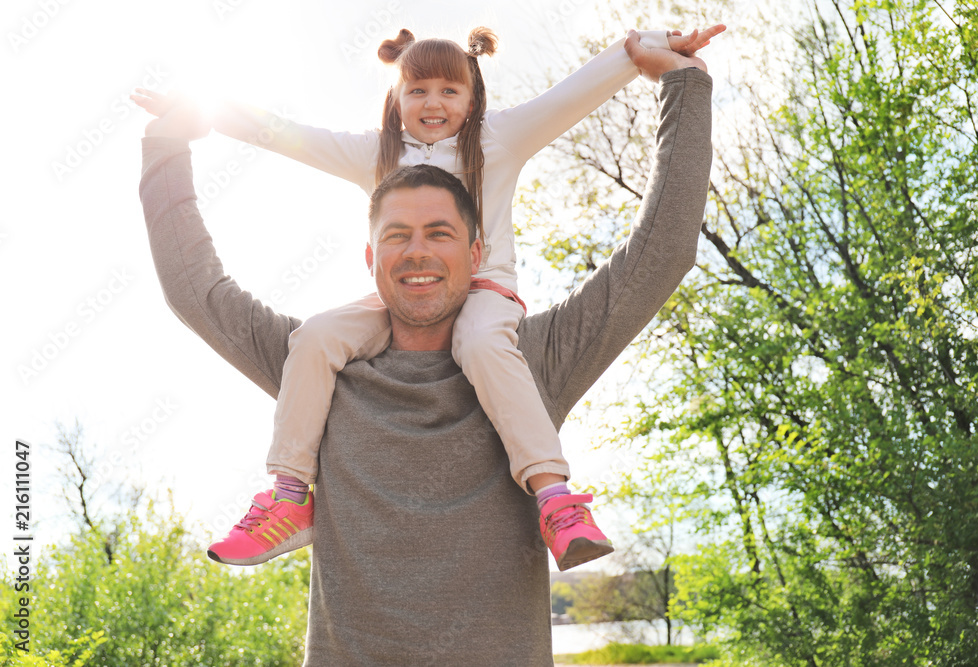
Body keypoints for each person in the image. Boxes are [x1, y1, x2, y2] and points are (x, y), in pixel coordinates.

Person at [138, 29, 714, 664]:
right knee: (318, 333)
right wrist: (174, 135)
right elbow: (204, 275)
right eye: (397, 236)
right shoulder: (323, 370)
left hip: (497, 323)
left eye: (440, 233)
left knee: (484, 344)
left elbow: (659, 246)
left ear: (474, 251)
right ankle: (287, 498)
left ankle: (557, 500)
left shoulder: (533, 360)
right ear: (369, 254)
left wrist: (667, 69)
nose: (416, 252)